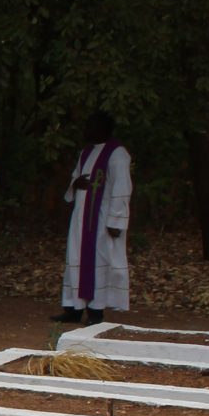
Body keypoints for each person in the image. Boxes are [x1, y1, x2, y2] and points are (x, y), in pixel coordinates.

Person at [57, 112, 132, 324]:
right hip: (81, 218)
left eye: (91, 126)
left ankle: (95, 311)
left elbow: (122, 188)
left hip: (101, 219)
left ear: (103, 129)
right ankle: (73, 308)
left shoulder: (117, 154)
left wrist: (117, 220)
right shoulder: (86, 152)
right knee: (75, 260)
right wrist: (76, 184)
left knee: (99, 262)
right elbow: (76, 178)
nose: (86, 130)